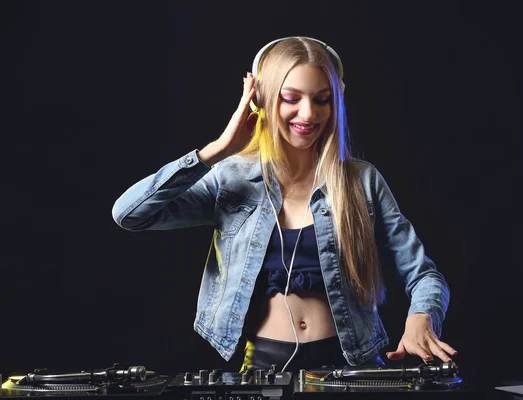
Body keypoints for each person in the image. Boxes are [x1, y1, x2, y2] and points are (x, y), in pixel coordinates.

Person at [112, 36, 457, 372]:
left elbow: (424, 274)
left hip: (351, 366)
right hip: (263, 366)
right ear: (260, 100)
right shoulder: (230, 179)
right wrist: (216, 150)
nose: (308, 114)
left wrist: (421, 317)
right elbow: (130, 214)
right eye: (291, 98)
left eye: (322, 100)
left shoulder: (362, 181)